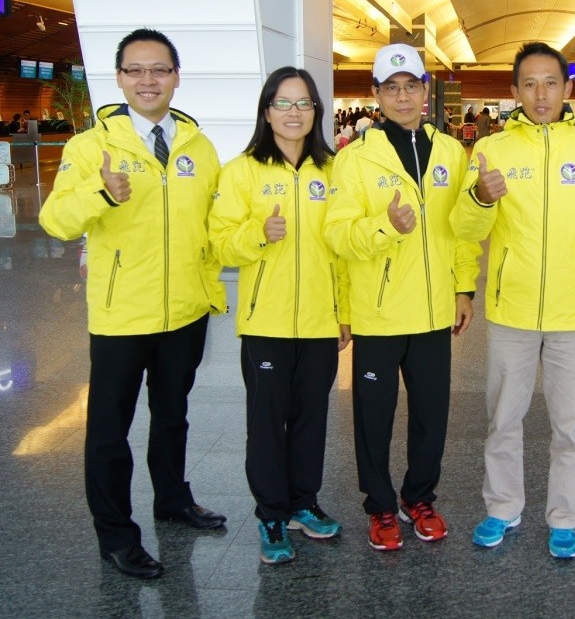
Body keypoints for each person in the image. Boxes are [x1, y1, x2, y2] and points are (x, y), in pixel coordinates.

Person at [38, 28, 227, 579]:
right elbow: (54, 220)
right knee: (108, 430)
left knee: (173, 417)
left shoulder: (197, 144)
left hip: (185, 311)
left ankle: (172, 500)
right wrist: (102, 194)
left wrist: (212, 281)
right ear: (119, 77)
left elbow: (211, 226)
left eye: (160, 69)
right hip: (123, 314)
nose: (148, 80)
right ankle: (116, 535)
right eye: (136, 70)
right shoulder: (91, 146)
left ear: (175, 76)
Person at [452, 41, 575, 560]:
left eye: (551, 83)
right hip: (512, 310)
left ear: (568, 89)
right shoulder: (492, 151)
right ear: (514, 91)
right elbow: (463, 228)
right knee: (504, 418)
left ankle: (564, 517)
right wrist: (480, 197)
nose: (541, 93)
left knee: (571, 425)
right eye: (530, 83)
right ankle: (502, 507)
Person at [324, 43, 481, 552]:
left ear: (425, 90)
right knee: (373, 417)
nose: (402, 96)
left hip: (435, 311)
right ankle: (380, 506)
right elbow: (340, 238)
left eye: (410, 85)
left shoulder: (451, 153)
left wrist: (463, 287)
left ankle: (420, 498)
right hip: (379, 312)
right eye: (391, 88)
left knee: (431, 415)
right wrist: (385, 227)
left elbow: (460, 231)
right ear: (376, 95)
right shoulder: (355, 160)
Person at [209, 67, 352, 565]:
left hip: (320, 321)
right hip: (264, 322)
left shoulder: (333, 171)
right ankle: (271, 513)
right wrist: (256, 233)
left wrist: (345, 313)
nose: (295, 113)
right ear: (266, 110)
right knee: (268, 423)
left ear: (316, 111)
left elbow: (344, 252)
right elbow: (219, 241)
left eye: (304, 103)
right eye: (284, 103)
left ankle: (303, 504)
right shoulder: (241, 171)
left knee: (312, 419)